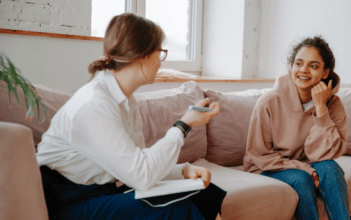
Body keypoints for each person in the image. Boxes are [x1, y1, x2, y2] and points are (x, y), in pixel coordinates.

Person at [36, 13, 226, 220]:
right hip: (66, 202)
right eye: (159, 52)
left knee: (205, 193)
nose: (161, 63)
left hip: (100, 192)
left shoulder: (127, 101)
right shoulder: (94, 104)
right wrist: (183, 125)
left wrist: (183, 171)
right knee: (174, 209)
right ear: (141, 55)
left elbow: (139, 165)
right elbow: (141, 176)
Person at [243, 36, 350, 220]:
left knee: (331, 169)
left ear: (325, 72)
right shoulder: (268, 102)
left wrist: (321, 109)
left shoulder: (333, 104)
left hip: (307, 162)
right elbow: (259, 154)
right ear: (291, 66)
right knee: (301, 179)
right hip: (268, 167)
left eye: (313, 66)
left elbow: (327, 154)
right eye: (298, 63)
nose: (303, 70)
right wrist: (305, 169)